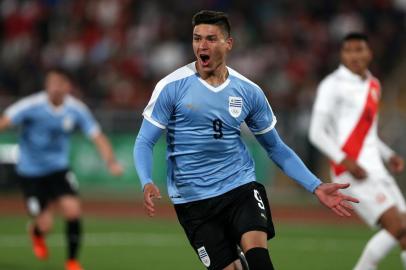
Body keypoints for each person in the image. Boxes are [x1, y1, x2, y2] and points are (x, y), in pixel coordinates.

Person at [134, 10, 358, 270]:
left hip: (239, 187)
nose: (202, 46)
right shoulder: (171, 86)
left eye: (210, 39)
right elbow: (144, 141)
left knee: (259, 259)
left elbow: (275, 147)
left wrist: (315, 186)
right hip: (192, 200)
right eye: (197, 39)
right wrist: (146, 180)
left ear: (228, 44)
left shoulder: (249, 91)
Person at [0, 68, 123, 270]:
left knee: (73, 211)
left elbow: (97, 136)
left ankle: (72, 261)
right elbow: (5, 121)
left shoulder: (76, 109)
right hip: (31, 172)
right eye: (51, 83)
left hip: (58, 169)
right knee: (45, 225)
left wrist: (111, 162)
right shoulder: (31, 105)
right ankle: (36, 232)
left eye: (59, 83)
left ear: (68, 86)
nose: (54, 87)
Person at [309, 32, 406, 270]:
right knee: (398, 226)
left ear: (369, 53)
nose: (354, 55)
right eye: (348, 50)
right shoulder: (332, 85)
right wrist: (346, 161)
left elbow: (369, 133)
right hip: (350, 170)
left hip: (375, 168)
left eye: (359, 49)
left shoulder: (374, 85)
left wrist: (388, 154)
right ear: (342, 55)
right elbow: (316, 132)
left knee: (404, 233)